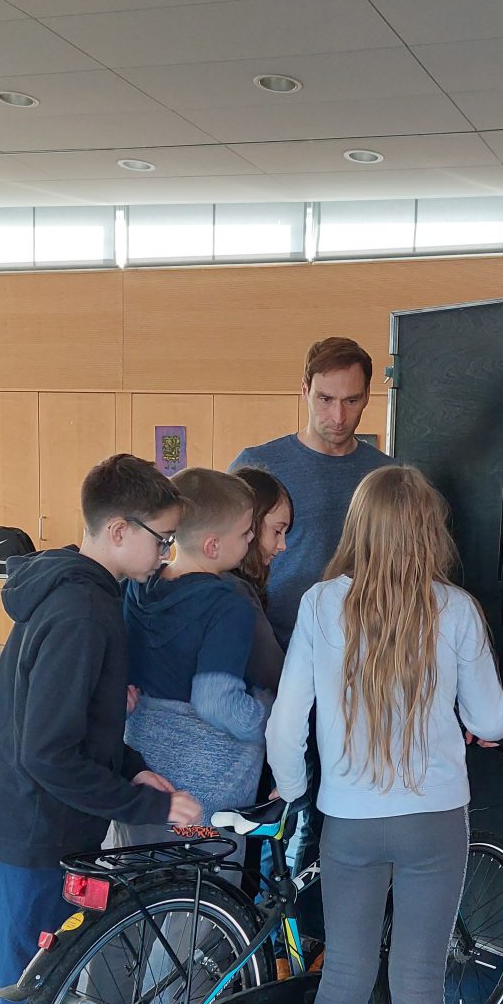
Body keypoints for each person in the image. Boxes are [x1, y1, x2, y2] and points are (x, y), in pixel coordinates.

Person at [266, 465, 503, 1004]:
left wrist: (298, 792)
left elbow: (286, 723)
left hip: (349, 822)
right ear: (429, 532)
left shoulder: (321, 605)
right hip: (434, 821)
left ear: (358, 528)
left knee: (343, 972)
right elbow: (494, 719)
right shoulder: (455, 609)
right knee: (417, 977)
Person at [0, 454, 200, 1004]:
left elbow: (80, 725)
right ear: (121, 530)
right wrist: (149, 808)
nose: (166, 556)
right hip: (37, 826)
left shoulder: (76, 591)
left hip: (18, 813)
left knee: (26, 974)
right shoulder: (82, 610)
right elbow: (49, 752)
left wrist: (135, 770)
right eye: (162, 539)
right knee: (35, 982)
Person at [119, 468, 270, 846]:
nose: (253, 538)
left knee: (138, 876)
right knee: (208, 881)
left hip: (142, 780)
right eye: (246, 533)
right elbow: (216, 701)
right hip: (203, 798)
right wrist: (270, 717)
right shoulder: (228, 607)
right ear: (213, 546)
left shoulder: (137, 588)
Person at [229, 336, 394, 649]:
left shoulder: (387, 475)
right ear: (305, 390)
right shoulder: (256, 465)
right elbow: (224, 561)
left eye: (351, 401)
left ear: (367, 396)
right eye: (325, 399)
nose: (338, 417)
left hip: (363, 649)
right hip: (270, 645)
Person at [228, 465, 294, 694]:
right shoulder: (236, 593)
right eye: (277, 531)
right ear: (251, 524)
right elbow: (273, 675)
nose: (283, 546)